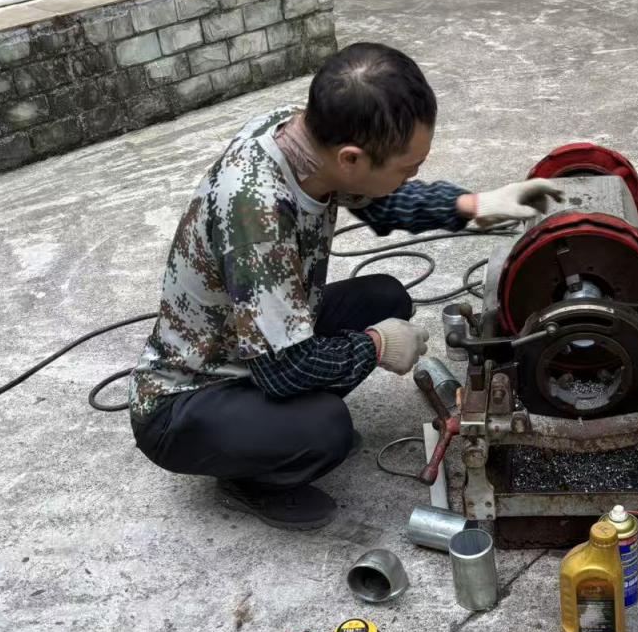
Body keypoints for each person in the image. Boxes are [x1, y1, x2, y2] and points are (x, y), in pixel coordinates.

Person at [129, 42, 560, 530]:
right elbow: (283, 371)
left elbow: (379, 199)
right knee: (326, 428)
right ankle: (251, 476)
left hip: (251, 342)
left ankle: (275, 432)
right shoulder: (257, 212)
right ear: (350, 159)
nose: (413, 174)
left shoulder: (309, 135)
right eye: (408, 168)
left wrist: (474, 206)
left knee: (384, 298)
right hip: (189, 397)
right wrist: (375, 346)